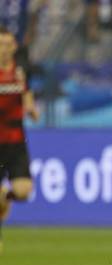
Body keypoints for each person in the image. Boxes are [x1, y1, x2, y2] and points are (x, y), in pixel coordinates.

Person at [0, 26, 38, 252]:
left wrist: (31, 106)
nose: (4, 49)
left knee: (23, 192)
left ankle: (6, 195)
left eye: (8, 44)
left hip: (16, 141)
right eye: (0, 45)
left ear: (14, 46)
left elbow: (26, 91)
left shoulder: (21, 70)